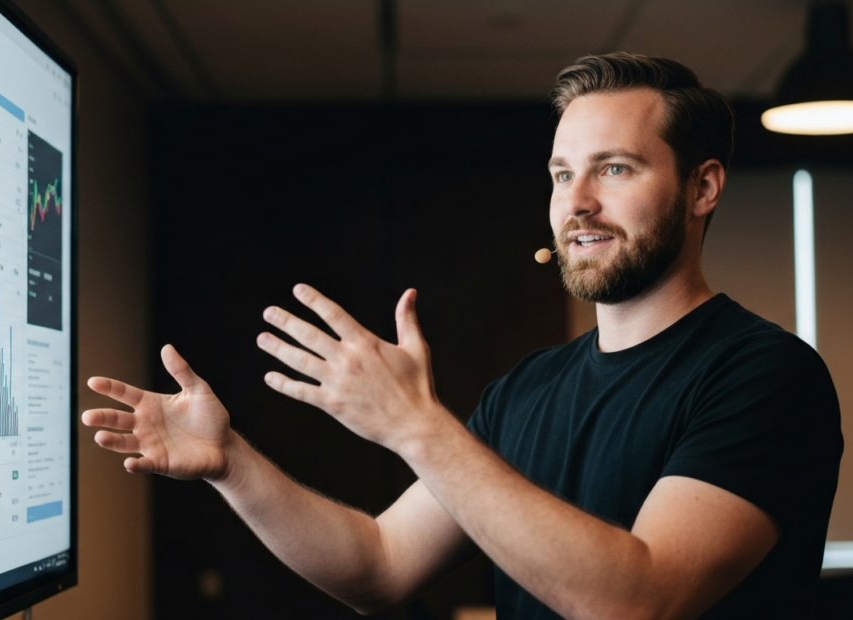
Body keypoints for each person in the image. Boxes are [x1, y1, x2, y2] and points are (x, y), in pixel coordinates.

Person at [82, 53, 843, 619]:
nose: (576, 202)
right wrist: (231, 464)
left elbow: (636, 602)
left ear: (703, 186)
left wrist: (418, 427)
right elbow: (378, 566)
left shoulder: (767, 376)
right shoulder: (527, 391)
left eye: (613, 168)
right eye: (559, 173)